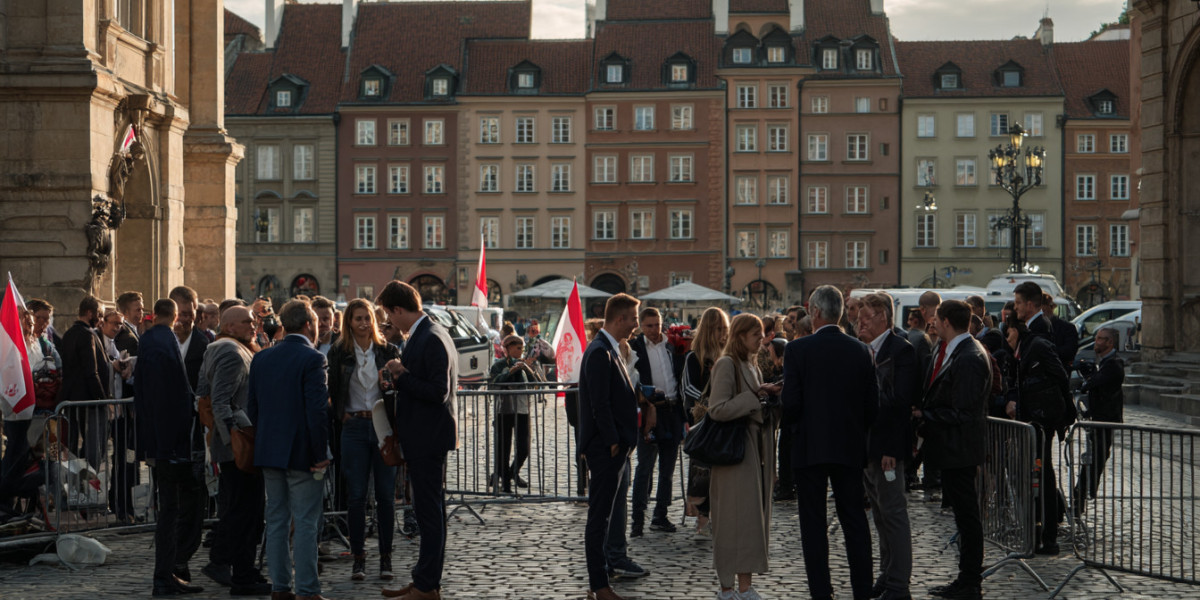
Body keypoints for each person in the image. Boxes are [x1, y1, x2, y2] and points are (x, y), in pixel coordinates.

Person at [782, 285, 877, 600]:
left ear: (815, 312)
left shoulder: (797, 350)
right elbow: (871, 407)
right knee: (854, 521)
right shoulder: (861, 350)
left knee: (813, 524)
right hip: (848, 446)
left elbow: (792, 404)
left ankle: (821, 592)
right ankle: (863, 590)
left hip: (809, 447)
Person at [378, 281, 458, 600]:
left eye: (389, 315)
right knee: (429, 512)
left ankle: (426, 586)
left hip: (428, 437)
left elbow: (438, 391)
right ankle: (425, 580)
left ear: (399, 310)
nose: (389, 322)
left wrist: (401, 375)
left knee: (429, 513)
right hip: (425, 436)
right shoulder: (427, 333)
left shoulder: (431, 336)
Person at [247, 299, 330, 600]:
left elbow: (252, 409)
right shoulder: (312, 358)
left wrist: (266, 438)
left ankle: (281, 588)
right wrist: (321, 454)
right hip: (303, 452)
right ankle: (307, 589)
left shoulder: (262, 358)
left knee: (277, 520)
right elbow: (317, 411)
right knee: (307, 521)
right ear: (309, 325)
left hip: (270, 449)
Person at [914, 300, 992, 600]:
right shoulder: (952, 350)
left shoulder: (970, 355)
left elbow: (964, 412)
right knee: (962, 515)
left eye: (935, 319)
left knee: (967, 516)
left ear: (946, 321)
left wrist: (925, 416)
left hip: (960, 447)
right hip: (950, 447)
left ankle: (971, 581)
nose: (931, 324)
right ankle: (965, 578)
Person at [325, 298, 402, 582]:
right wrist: (341, 415)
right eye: (357, 318)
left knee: (385, 496)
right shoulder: (339, 352)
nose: (363, 323)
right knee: (356, 496)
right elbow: (332, 389)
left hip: (383, 427)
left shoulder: (388, 351)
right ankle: (358, 557)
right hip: (354, 426)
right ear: (349, 322)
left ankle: (385, 557)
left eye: (366, 318)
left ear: (373, 320)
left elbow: (398, 389)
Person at [196, 306, 270, 595]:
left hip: (235, 442)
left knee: (244, 509)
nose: (253, 325)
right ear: (229, 325)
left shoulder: (219, 347)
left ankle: (243, 571)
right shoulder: (230, 352)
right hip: (239, 444)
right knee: (245, 510)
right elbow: (220, 401)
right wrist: (232, 442)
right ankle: (228, 564)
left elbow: (203, 390)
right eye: (246, 321)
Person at [134, 298, 205, 597]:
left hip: (159, 438)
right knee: (171, 510)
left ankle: (167, 573)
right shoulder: (165, 342)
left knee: (170, 508)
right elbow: (171, 395)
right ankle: (164, 575)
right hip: (170, 442)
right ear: (174, 316)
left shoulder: (150, 338)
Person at [708, 314, 781, 600]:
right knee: (730, 521)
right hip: (733, 453)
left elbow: (755, 405)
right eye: (755, 335)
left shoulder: (751, 366)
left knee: (750, 521)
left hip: (753, 450)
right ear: (740, 336)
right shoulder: (726, 364)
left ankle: (745, 586)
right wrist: (755, 397)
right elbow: (718, 409)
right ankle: (728, 589)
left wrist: (768, 398)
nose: (761, 340)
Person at [577, 293, 643, 600]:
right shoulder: (600, 352)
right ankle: (599, 585)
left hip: (612, 448)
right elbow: (599, 404)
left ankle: (599, 582)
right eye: (633, 319)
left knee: (603, 516)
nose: (635, 325)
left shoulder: (608, 349)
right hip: (606, 450)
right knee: (599, 518)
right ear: (619, 319)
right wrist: (614, 440)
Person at [857, 293, 919, 600]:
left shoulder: (900, 350)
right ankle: (887, 573)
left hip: (888, 448)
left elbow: (900, 403)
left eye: (866, 317)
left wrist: (891, 449)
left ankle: (899, 584)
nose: (860, 322)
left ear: (883, 317)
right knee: (880, 515)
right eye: (858, 317)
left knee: (893, 514)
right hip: (868, 445)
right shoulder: (864, 350)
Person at [1009, 282, 1071, 554]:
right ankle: (1040, 533)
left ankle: (1048, 535)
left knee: (1043, 474)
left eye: (1019, 303)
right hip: (1034, 417)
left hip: (1041, 418)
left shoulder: (1040, 333)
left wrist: (1049, 407)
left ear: (1031, 304)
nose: (1016, 308)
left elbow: (1058, 374)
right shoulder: (1029, 331)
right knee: (1039, 473)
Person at [630, 307, 685, 536]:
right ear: (641, 326)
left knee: (667, 468)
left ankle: (660, 514)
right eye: (649, 325)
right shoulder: (635, 348)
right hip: (649, 411)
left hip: (672, 410)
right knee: (644, 467)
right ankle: (637, 518)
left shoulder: (673, 345)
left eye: (657, 325)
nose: (654, 330)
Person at [167, 286, 208, 581]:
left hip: (197, 434)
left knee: (194, 499)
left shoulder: (206, 344)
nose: (186, 320)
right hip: (168, 435)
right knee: (170, 501)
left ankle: (182, 558)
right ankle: (172, 559)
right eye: (181, 315)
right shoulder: (160, 341)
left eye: (191, 314)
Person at [682, 307, 729, 536]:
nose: (722, 333)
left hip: (725, 420)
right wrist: (707, 403)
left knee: (722, 469)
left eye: (725, 329)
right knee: (701, 471)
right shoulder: (694, 357)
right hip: (702, 422)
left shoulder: (728, 355)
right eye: (718, 329)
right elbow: (688, 388)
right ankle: (702, 516)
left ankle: (719, 514)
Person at [1073, 326, 1124, 513]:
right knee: (1094, 457)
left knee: (1098, 456)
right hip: (1097, 419)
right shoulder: (1103, 362)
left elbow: (1095, 383)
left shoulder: (1114, 363)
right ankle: (1081, 493)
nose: (1096, 341)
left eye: (1101, 339)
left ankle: (1083, 492)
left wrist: (1088, 379)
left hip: (1105, 420)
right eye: (1097, 338)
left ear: (1110, 342)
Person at [56, 296, 110, 472]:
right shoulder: (86, 335)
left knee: (72, 443)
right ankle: (88, 482)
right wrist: (103, 398)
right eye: (99, 315)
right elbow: (91, 371)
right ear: (89, 313)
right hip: (87, 400)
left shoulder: (69, 333)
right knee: (93, 444)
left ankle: (74, 480)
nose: (101, 319)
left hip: (72, 398)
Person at [97, 308, 138, 525]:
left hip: (120, 409)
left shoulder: (115, 343)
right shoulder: (95, 340)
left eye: (120, 324)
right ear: (103, 322)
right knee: (98, 457)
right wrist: (111, 367)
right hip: (102, 408)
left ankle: (122, 505)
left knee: (123, 459)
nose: (118, 327)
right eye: (114, 323)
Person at [488, 335, 538, 493]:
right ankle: (507, 486)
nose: (520, 352)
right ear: (508, 349)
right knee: (503, 448)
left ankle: (510, 473)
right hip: (504, 410)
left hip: (522, 410)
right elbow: (493, 384)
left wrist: (526, 369)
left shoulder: (525, 365)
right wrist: (510, 372)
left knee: (524, 448)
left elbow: (537, 383)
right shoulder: (499, 365)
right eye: (517, 348)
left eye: (522, 349)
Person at [1042, 292, 1079, 372]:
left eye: (1043, 310)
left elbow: (1069, 352)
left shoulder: (1067, 328)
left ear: (1050, 307)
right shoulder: (1034, 328)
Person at [115, 291, 144, 355]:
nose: (142, 312)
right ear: (126, 313)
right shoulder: (125, 335)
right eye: (138, 310)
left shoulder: (133, 329)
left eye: (142, 309)